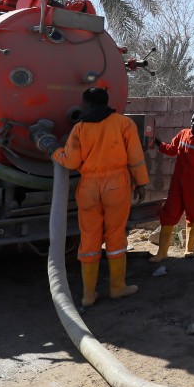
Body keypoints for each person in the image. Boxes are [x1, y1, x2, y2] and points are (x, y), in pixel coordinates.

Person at [34, 87, 148, 307]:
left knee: (89, 237)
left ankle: (88, 295)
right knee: (115, 235)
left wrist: (53, 150)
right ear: (107, 102)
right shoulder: (124, 124)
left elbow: (71, 162)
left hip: (88, 187)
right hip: (117, 185)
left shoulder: (80, 128)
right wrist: (141, 183)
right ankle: (117, 288)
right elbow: (135, 157)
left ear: (86, 104)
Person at [150, 109, 194, 261]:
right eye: (193, 120)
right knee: (169, 212)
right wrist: (157, 142)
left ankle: (189, 249)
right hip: (177, 182)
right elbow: (171, 150)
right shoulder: (183, 134)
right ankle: (162, 253)